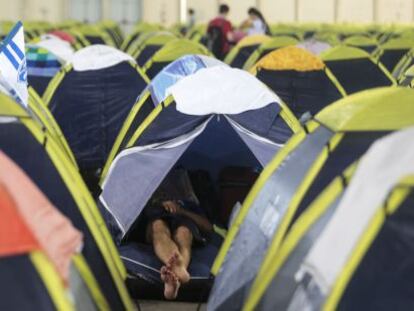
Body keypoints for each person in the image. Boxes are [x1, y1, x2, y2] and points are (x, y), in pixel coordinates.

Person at [140, 169, 213, 300]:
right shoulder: (148, 200)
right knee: (158, 226)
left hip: (184, 220)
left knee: (183, 232)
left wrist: (181, 211)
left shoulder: (190, 204)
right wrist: (159, 203)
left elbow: (207, 226)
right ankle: (180, 271)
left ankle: (176, 275)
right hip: (157, 219)